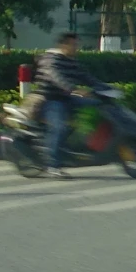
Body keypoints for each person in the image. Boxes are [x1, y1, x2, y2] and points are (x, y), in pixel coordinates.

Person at [34, 31, 93, 178]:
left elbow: (86, 77)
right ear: (63, 45)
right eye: (72, 44)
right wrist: (73, 89)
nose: (75, 47)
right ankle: (52, 165)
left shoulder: (71, 61)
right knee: (60, 127)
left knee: (97, 106)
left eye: (76, 44)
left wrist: (106, 88)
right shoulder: (51, 60)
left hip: (67, 98)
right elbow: (56, 77)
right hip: (50, 100)